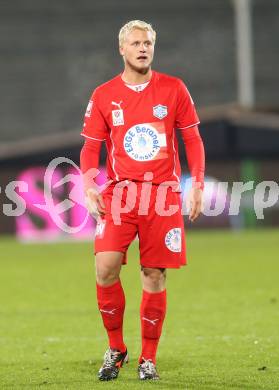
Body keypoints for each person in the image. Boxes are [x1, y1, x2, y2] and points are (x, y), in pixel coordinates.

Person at [80, 20, 205, 381]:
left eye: (147, 42)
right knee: (105, 267)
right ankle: (116, 347)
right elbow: (90, 148)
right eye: (135, 43)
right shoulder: (104, 95)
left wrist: (196, 183)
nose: (142, 48)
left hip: (162, 196)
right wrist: (89, 185)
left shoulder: (174, 89)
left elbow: (192, 140)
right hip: (120, 194)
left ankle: (148, 358)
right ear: (122, 49)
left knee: (154, 274)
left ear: (153, 47)